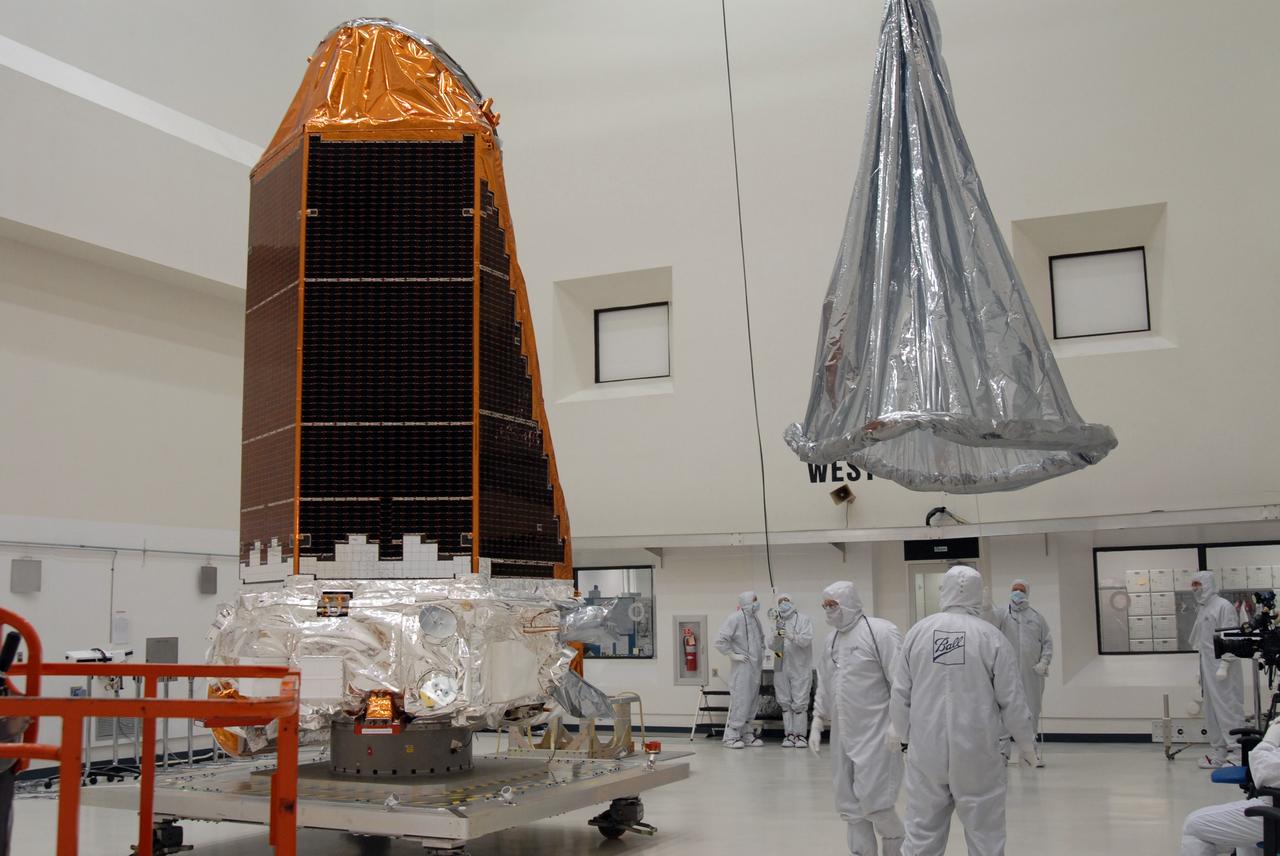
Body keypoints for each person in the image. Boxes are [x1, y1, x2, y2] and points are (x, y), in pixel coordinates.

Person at [891, 565, 1037, 856]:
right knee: (985, 834)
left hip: (927, 750)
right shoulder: (992, 637)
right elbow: (1012, 699)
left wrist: (903, 735)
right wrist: (1025, 743)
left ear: (942, 591)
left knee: (921, 833)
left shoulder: (918, 633)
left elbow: (900, 693)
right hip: (978, 750)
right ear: (978, 594)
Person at [810, 581, 905, 856]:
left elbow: (900, 681)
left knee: (876, 803)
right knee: (850, 806)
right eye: (825, 605)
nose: (828, 611)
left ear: (849, 601)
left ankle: (897, 845)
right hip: (843, 734)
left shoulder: (880, 632)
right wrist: (818, 721)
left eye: (833, 604)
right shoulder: (831, 641)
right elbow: (825, 685)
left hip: (877, 734)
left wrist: (898, 724)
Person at [1181, 718, 1280, 854]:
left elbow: (1265, 773)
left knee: (1194, 826)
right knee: (1243, 841)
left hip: (1275, 810)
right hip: (1272, 803)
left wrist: (1271, 738)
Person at [985, 579, 1053, 767]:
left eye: (1021, 590)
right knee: (1002, 711)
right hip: (1006, 672)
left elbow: (1047, 642)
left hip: (1032, 674)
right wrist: (985, 605)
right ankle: (1002, 753)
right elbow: (987, 624)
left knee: (1030, 711)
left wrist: (1044, 662)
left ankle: (1029, 753)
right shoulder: (1001, 615)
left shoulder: (1036, 617)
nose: (1017, 593)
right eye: (1014, 589)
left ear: (1027, 593)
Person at [1190, 570, 1245, 769]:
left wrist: (1224, 664)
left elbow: (1231, 637)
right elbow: (1202, 642)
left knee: (1228, 708)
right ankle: (1219, 751)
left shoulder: (1223, 606)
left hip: (1224, 669)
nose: (1195, 588)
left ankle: (1237, 753)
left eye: (1198, 584)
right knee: (1211, 710)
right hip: (1208, 667)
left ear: (1208, 584)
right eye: (1193, 584)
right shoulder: (1203, 608)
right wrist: (1201, 670)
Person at [714, 590, 764, 749]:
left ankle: (747, 732)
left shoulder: (755, 618)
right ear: (746, 602)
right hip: (742, 666)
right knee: (741, 699)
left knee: (752, 700)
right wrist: (732, 655)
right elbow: (720, 641)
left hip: (755, 665)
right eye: (754, 600)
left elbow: (761, 639)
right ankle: (732, 735)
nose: (757, 603)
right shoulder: (734, 618)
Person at [772, 593, 815, 748]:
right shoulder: (777, 621)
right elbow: (774, 646)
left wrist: (790, 635)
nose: (783, 604)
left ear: (792, 602)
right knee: (784, 702)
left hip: (800, 666)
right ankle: (789, 735)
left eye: (786, 601)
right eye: (780, 602)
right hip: (780, 665)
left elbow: (806, 640)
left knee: (800, 702)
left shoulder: (803, 619)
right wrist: (776, 636)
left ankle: (800, 736)